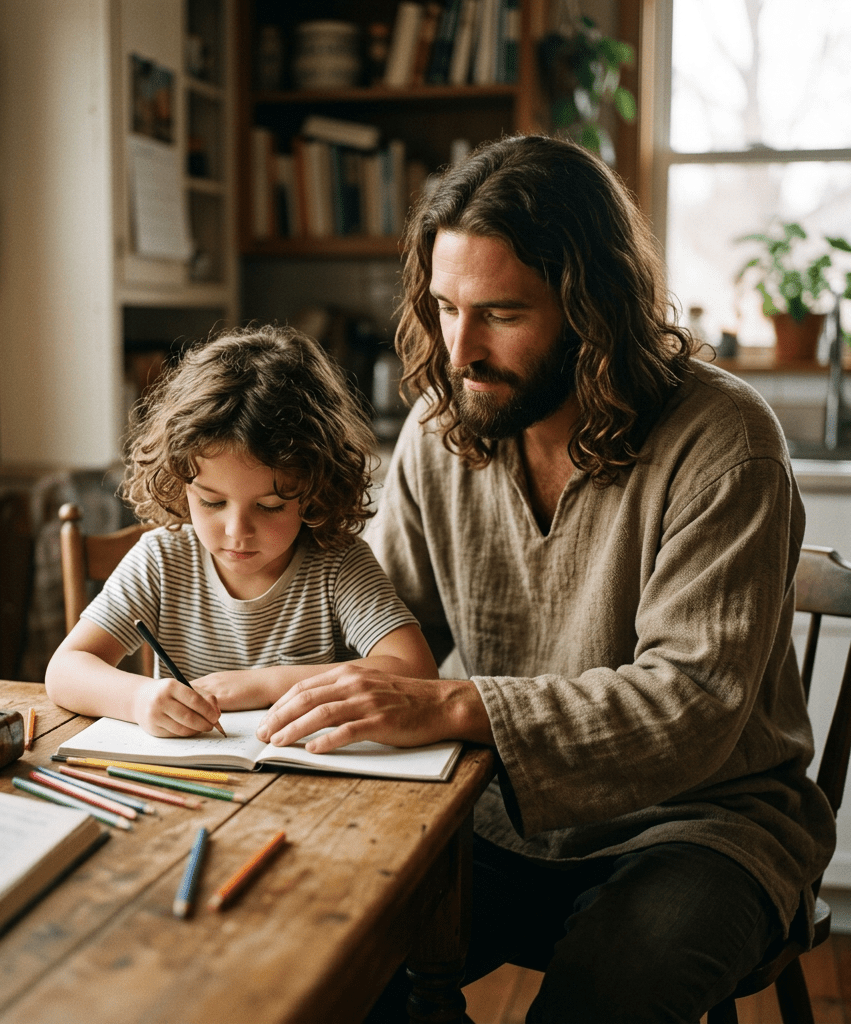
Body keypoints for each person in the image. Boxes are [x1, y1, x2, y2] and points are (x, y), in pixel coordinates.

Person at [254, 135, 836, 1022]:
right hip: (494, 817)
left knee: (604, 998)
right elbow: (379, 638)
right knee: (331, 965)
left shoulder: (726, 440)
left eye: (501, 314)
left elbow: (691, 703)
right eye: (446, 308)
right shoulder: (441, 431)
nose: (459, 351)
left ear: (593, 310)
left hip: (707, 824)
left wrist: (454, 706)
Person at [45, 326, 437, 737]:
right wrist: (140, 699)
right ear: (180, 482)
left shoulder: (337, 565)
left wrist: (263, 684)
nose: (237, 532)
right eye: (212, 502)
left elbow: (416, 672)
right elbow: (66, 670)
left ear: (315, 489)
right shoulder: (161, 560)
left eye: (270, 506)